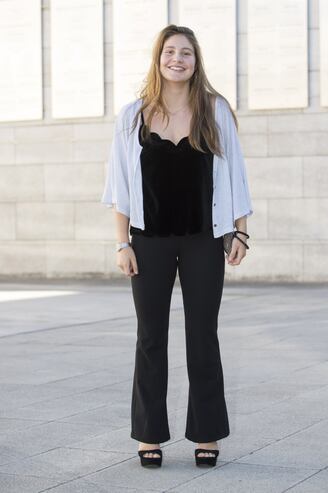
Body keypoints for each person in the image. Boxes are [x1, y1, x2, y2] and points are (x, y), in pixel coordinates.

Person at [101, 24, 253, 468]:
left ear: (195, 60)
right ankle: (149, 435)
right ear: (158, 57)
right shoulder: (133, 115)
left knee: (202, 335)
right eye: (170, 51)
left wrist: (239, 231)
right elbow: (120, 185)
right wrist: (120, 243)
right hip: (148, 243)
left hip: (205, 240)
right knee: (150, 338)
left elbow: (236, 173)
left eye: (186, 52)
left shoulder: (215, 110)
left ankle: (207, 432)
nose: (177, 59)